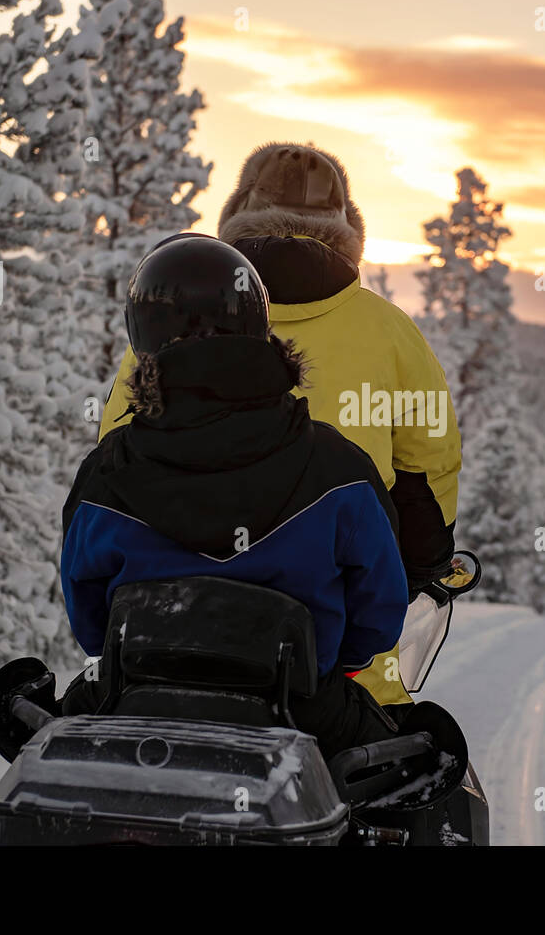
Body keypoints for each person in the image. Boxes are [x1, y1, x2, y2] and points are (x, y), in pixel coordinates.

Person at [99, 143, 461, 708]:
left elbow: (115, 455)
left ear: (238, 216)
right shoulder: (388, 331)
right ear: (346, 229)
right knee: (403, 761)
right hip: (333, 652)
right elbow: (427, 466)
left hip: (163, 645)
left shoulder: (174, 322)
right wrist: (420, 563)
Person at [58, 234, 407, 758]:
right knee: (419, 772)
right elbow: (379, 615)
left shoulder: (108, 471)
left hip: (135, 699)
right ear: (257, 327)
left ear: (144, 337)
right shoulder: (340, 470)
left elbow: (88, 621)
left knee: (42, 741)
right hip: (303, 710)